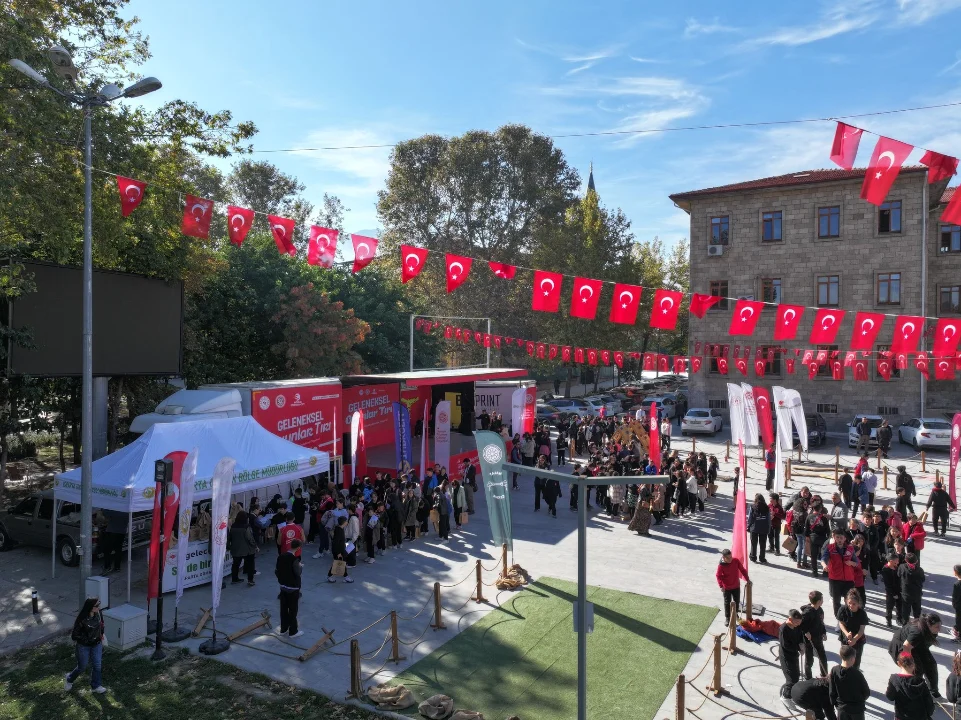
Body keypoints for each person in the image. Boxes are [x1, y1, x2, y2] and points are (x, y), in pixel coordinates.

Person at [888, 613, 942, 698]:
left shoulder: (931, 631)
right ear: (928, 625)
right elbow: (906, 646)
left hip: (916, 646)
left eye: (940, 626)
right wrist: (909, 663)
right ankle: (916, 692)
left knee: (931, 664)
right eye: (937, 627)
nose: (939, 629)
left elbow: (924, 646)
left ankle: (933, 693)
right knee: (917, 669)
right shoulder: (917, 632)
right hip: (901, 646)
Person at [64, 597, 106, 693]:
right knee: (82, 667)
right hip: (84, 646)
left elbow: (101, 625)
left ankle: (96, 686)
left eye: (99, 605)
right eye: (97, 606)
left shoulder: (99, 614)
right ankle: (69, 679)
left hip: (97, 644)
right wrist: (87, 640)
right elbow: (74, 635)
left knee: (97, 665)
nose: (99, 607)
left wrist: (101, 635)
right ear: (90, 607)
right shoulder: (82, 619)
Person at [885, 652, 935, 720]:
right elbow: (929, 703)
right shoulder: (921, 681)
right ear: (913, 664)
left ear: (899, 663)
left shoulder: (894, 679)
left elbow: (890, 697)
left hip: (902, 717)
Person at [822, 530, 858, 619]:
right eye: (837, 537)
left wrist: (851, 563)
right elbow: (823, 558)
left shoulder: (850, 548)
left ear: (845, 539)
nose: (839, 539)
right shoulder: (830, 548)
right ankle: (839, 619)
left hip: (849, 579)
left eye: (841, 538)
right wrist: (824, 565)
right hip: (835, 579)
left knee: (849, 600)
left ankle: (849, 617)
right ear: (834, 538)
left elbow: (856, 562)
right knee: (836, 601)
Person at [829, 645, 870, 720]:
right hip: (856, 710)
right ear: (852, 659)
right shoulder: (857, 674)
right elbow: (866, 693)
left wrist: (836, 705)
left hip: (842, 709)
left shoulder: (834, 670)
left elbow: (832, 691)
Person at [275, 538, 304, 638]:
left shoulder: (281, 556)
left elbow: (277, 570)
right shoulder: (294, 560)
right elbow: (298, 572)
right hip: (293, 588)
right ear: (298, 548)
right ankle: (293, 631)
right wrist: (300, 566)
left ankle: (283, 629)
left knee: (283, 609)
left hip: (283, 586)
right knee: (292, 610)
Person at [836, 589, 868, 669]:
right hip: (846, 637)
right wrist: (847, 634)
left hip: (858, 640)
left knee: (856, 662)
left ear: (858, 604)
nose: (851, 606)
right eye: (849, 603)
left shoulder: (862, 614)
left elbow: (861, 630)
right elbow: (841, 623)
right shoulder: (842, 610)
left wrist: (854, 639)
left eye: (854, 604)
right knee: (845, 660)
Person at [716, 548, 749, 626]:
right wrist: (721, 586)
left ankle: (735, 614)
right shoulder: (721, 566)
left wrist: (747, 579)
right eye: (728, 558)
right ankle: (727, 617)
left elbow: (742, 570)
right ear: (723, 558)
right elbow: (718, 576)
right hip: (726, 587)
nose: (731, 559)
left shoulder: (735, 561)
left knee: (737, 602)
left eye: (731, 557)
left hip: (736, 586)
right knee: (727, 603)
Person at [779, 609, 804, 699]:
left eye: (799, 622)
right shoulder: (783, 629)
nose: (798, 624)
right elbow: (786, 645)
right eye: (796, 622)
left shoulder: (797, 626)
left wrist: (801, 644)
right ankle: (786, 696)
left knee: (796, 675)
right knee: (791, 678)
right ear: (790, 619)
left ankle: (792, 693)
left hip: (794, 655)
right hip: (786, 656)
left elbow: (800, 636)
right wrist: (798, 648)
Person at [229, 511, 258, 586]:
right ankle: (250, 580)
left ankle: (234, 578)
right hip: (247, 550)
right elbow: (250, 538)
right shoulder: (246, 527)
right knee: (250, 565)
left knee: (235, 564)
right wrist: (255, 546)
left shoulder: (233, 526)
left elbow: (230, 537)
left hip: (236, 549)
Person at [898, 553, 925, 623]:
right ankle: (918, 625)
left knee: (905, 612)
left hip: (906, 594)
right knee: (917, 611)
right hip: (917, 594)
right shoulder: (920, 570)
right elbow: (923, 579)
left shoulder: (902, 567)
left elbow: (898, 575)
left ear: (906, 560)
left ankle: (905, 625)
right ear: (916, 561)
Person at [100, 509, 128, 575]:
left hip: (112, 531)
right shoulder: (126, 511)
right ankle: (117, 567)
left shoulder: (115, 509)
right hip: (122, 532)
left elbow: (104, 512)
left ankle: (107, 566)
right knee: (118, 549)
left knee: (107, 550)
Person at [327, 516, 353, 584]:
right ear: (344, 522)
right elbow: (336, 542)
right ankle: (345, 577)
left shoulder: (340, 529)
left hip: (341, 550)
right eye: (346, 521)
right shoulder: (339, 531)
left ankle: (331, 576)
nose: (347, 522)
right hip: (339, 551)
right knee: (340, 563)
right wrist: (338, 552)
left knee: (340, 563)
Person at [748, 494, 771, 563]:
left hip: (754, 528)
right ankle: (762, 558)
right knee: (763, 544)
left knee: (753, 544)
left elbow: (750, 518)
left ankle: (753, 557)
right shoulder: (767, 508)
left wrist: (749, 526)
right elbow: (768, 519)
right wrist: (768, 528)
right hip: (764, 528)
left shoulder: (752, 506)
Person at [882, 553, 903, 627]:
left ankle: (899, 619)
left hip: (898, 590)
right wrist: (893, 594)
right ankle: (888, 620)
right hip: (890, 593)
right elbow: (887, 585)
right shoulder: (885, 570)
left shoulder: (896, 568)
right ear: (891, 561)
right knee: (889, 607)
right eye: (896, 561)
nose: (897, 562)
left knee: (899, 606)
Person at [953, 564, 961, 643]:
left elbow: (955, 597)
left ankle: (959, 637)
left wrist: (954, 605)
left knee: (959, 621)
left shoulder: (957, 585)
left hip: (959, 607)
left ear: (955, 573)